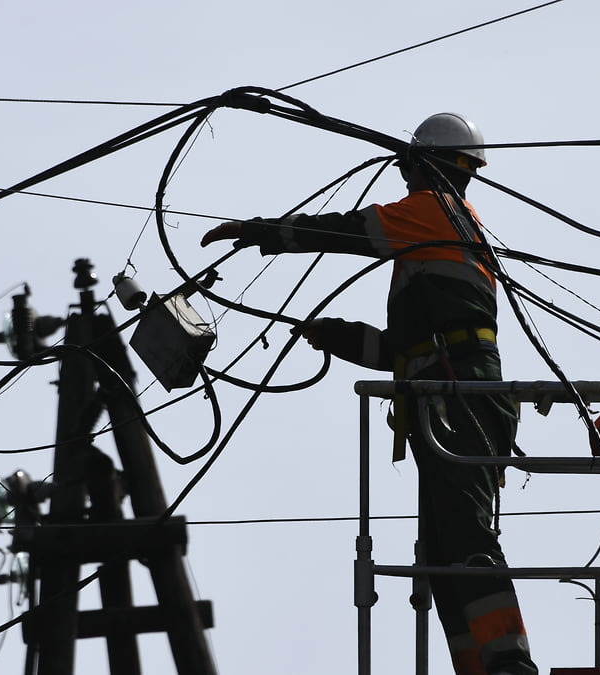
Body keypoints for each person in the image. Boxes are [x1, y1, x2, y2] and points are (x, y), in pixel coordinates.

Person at [201, 113, 536, 675]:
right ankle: (479, 665)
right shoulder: (437, 240)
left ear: (427, 164)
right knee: (443, 547)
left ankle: (507, 663)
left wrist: (263, 232)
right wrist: (339, 338)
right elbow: (404, 355)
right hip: (454, 390)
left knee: (463, 536)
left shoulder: (431, 212)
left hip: (462, 394)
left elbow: (346, 231)